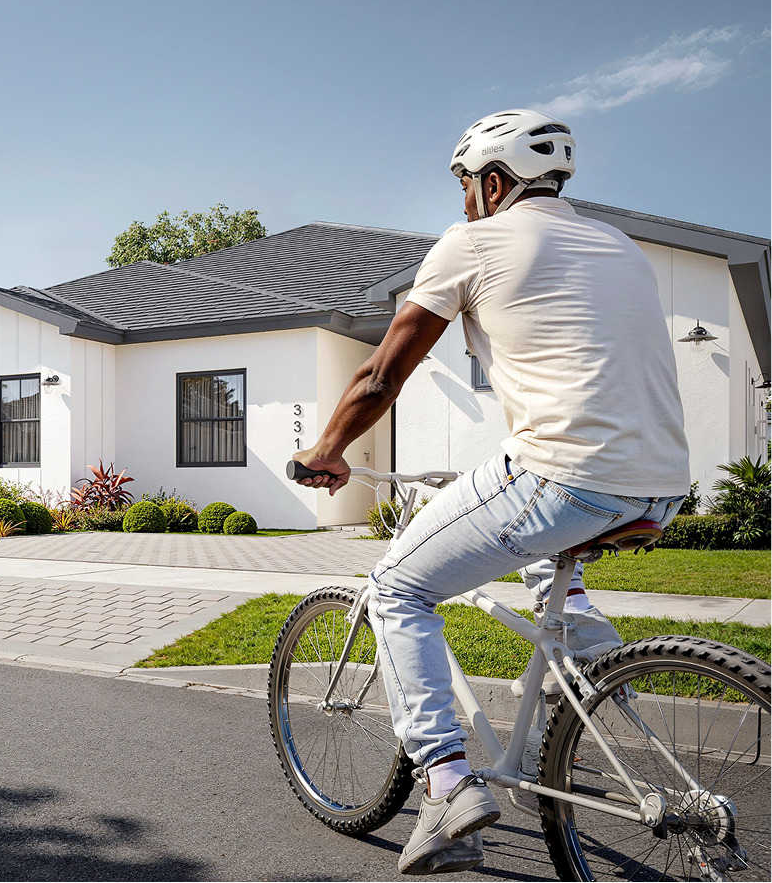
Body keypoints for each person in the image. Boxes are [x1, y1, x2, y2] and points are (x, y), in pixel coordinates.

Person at [289, 109, 688, 875]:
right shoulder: (617, 246)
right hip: (659, 487)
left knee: (397, 584)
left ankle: (444, 786)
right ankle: (585, 666)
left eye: (464, 183)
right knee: (543, 531)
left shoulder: (472, 242)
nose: (461, 199)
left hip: (561, 475)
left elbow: (380, 374)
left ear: (494, 181)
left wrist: (327, 449)